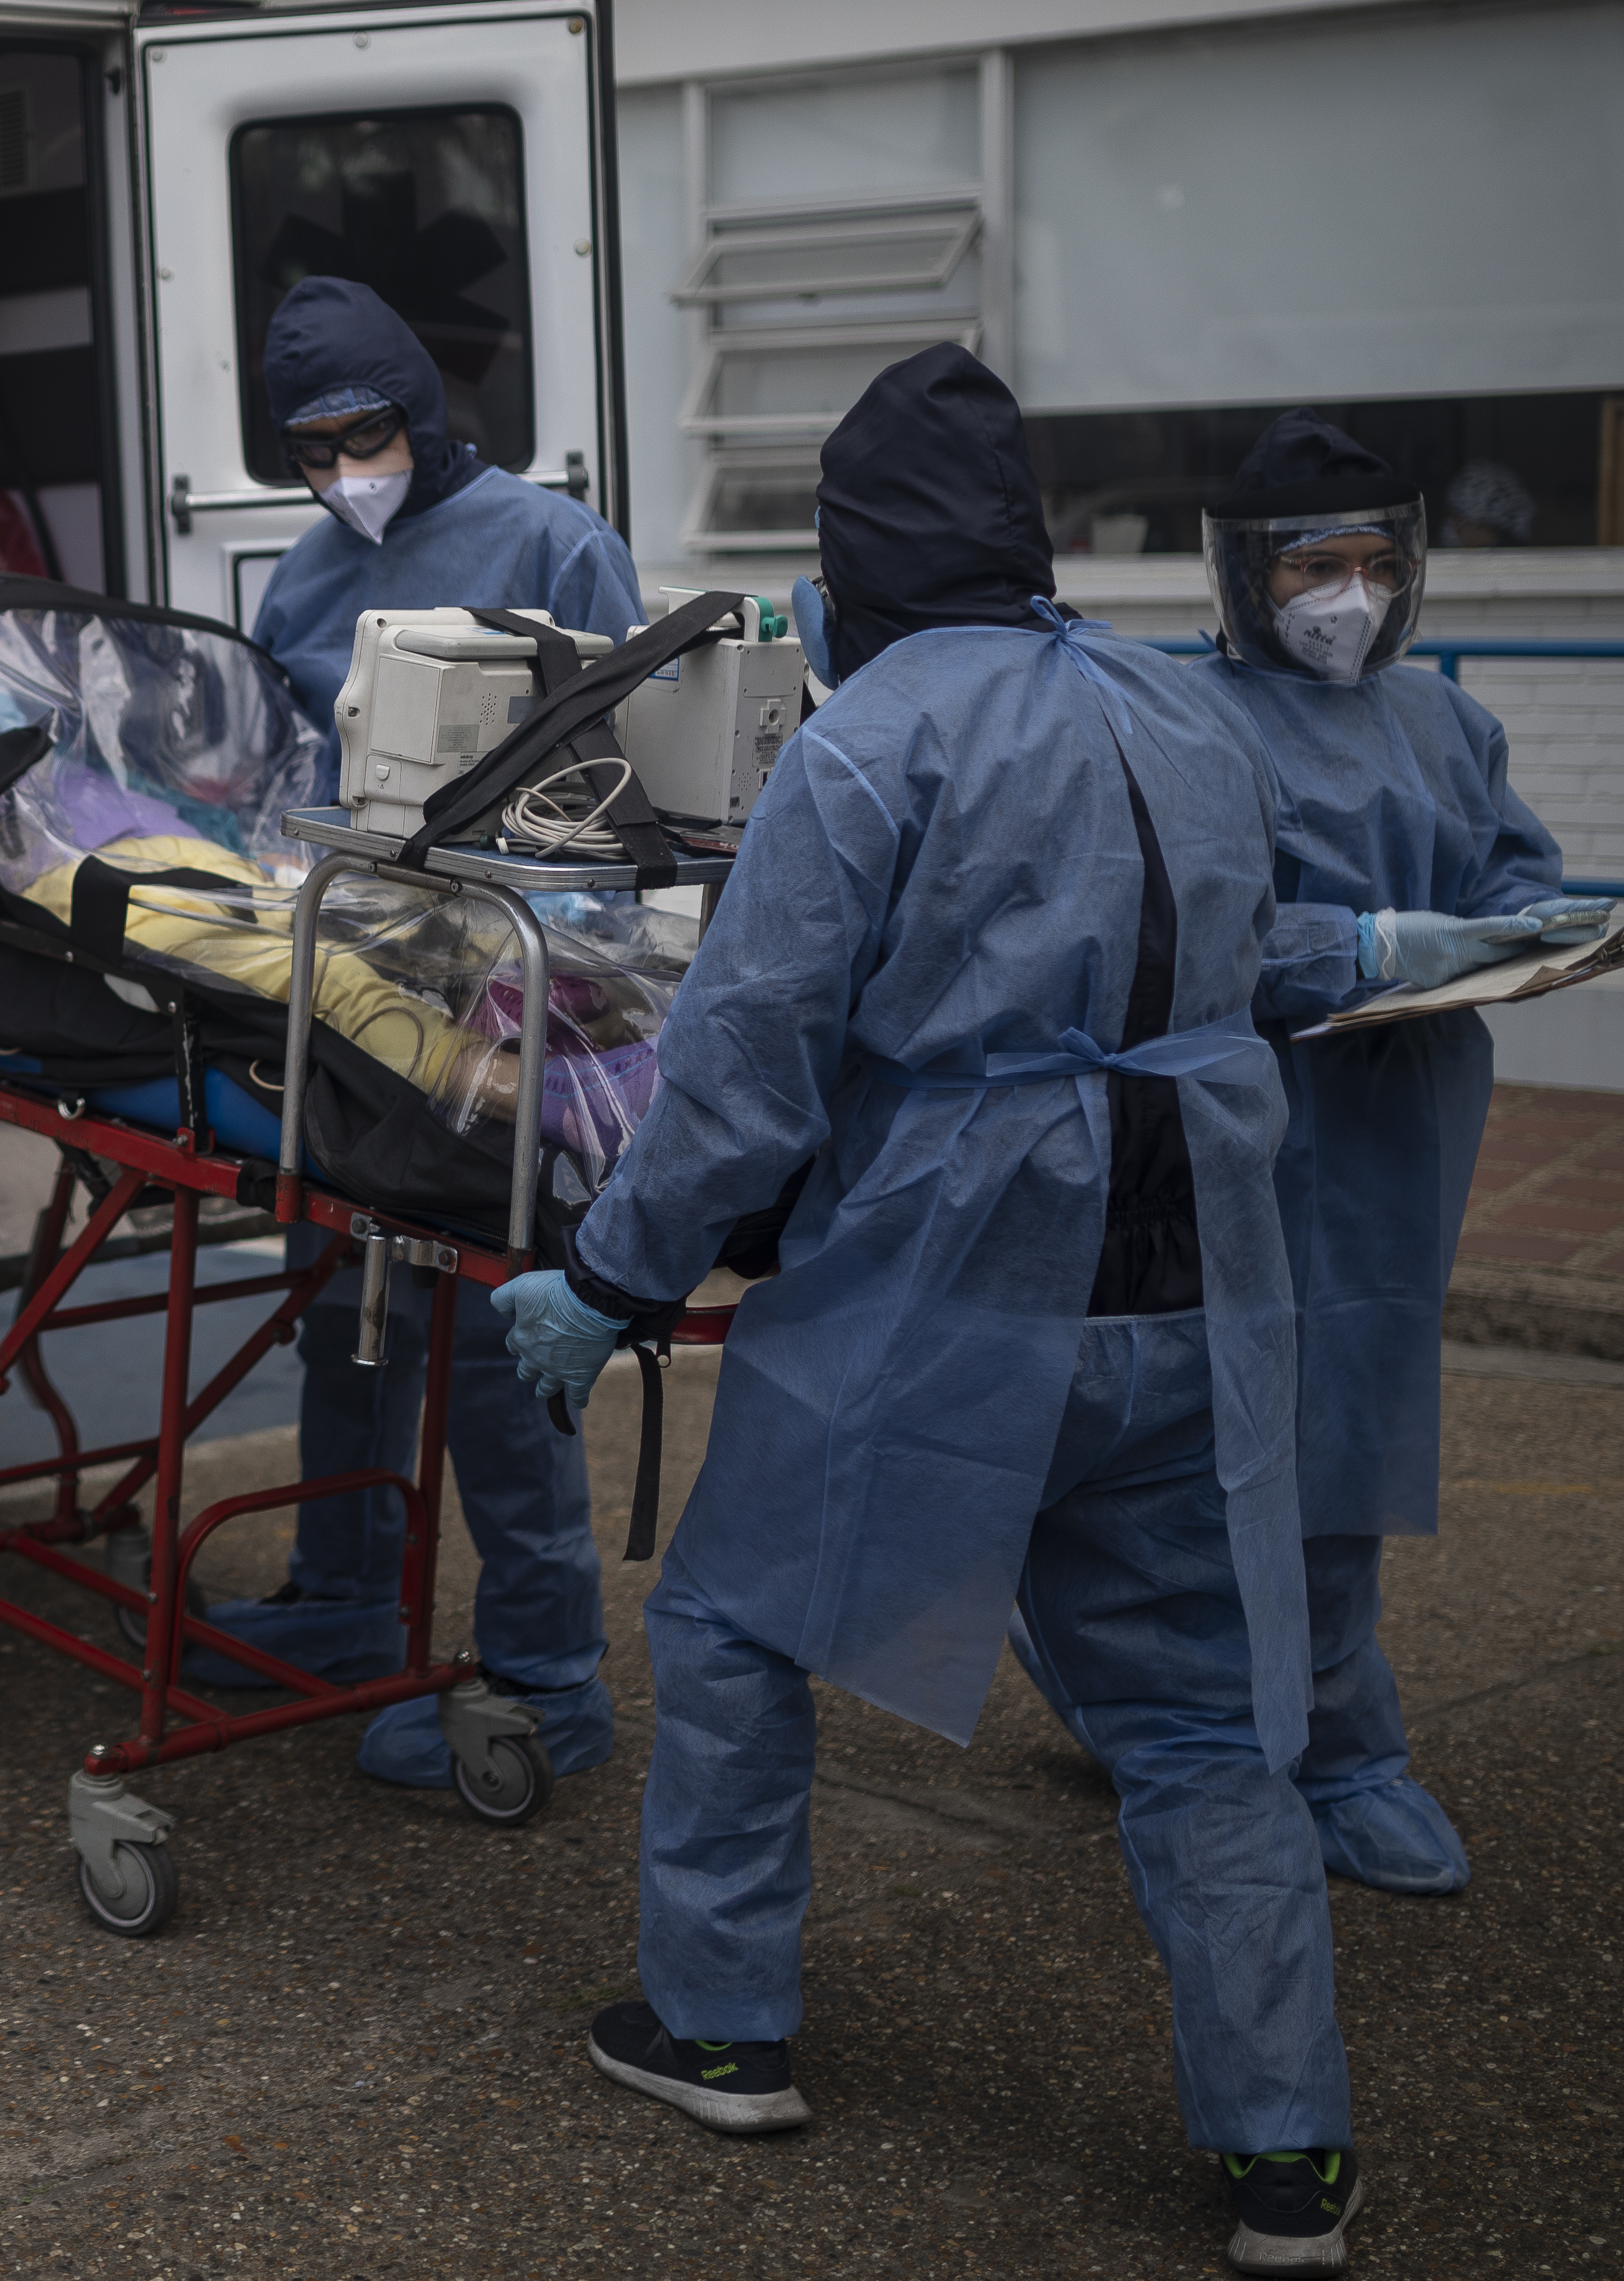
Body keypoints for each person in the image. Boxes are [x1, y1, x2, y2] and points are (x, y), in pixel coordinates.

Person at [499, 344, 1366, 2275]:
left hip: (962, 1283)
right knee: (1208, 1726)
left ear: (848, 573)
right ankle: (1286, 2151)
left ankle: (721, 2026)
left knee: (734, 1619)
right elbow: (1256, 950)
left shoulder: (868, 743)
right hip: (1198, 1287)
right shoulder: (1180, 712)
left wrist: (613, 1281)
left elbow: (743, 1071)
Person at [1134, 410, 1603, 1897]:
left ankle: (1334, 1742)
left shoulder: (1445, 722)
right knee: (1211, 1439)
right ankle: (1230, 1718)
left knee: (1343, 1434)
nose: (1345, 593)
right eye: (1309, 565)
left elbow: (1511, 864)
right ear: (1240, 574)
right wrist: (1357, 943)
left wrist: (1521, 929)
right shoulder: (1180, 715)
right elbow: (1180, 921)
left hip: (1398, 1125)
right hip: (1248, 1121)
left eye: (1372, 562)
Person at [215, 276, 648, 1791]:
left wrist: (563, 977)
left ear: (425, 412)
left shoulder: (552, 544)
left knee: (486, 1344)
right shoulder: (306, 577)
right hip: (361, 1000)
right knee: (342, 1306)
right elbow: (284, 776)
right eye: (314, 453)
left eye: (367, 436)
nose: (347, 473)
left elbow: (630, 796)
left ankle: (547, 1681)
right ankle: (342, 1599)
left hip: (520, 1009)